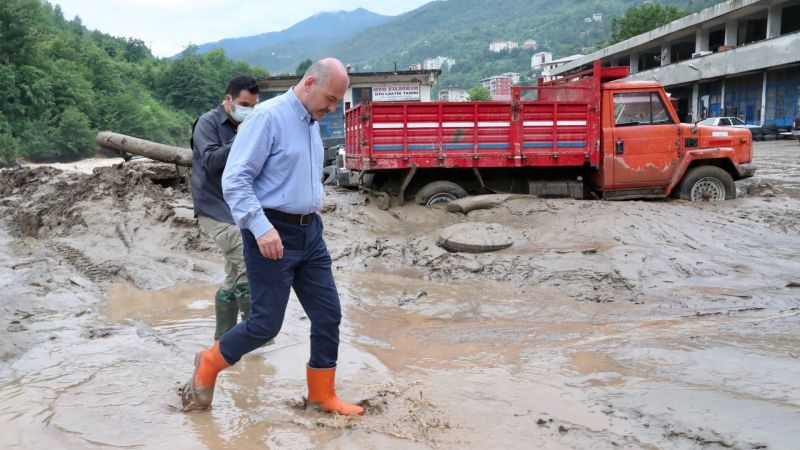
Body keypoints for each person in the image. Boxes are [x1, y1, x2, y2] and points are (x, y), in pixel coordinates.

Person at [180, 58, 363, 416]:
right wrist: (261, 227)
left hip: (310, 233)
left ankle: (321, 396)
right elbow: (235, 180)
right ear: (309, 84)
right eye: (330, 99)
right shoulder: (267, 118)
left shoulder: (310, 122)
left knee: (328, 314)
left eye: (336, 102)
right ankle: (209, 363)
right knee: (265, 325)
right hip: (271, 232)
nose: (332, 108)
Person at [190, 75, 259, 341]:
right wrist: (239, 139)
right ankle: (255, 336)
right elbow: (210, 162)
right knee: (245, 261)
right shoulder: (207, 123)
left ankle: (224, 339)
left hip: (239, 207)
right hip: (214, 208)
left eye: (253, 106)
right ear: (228, 99)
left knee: (232, 274)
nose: (248, 110)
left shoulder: (250, 124)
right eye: (244, 105)